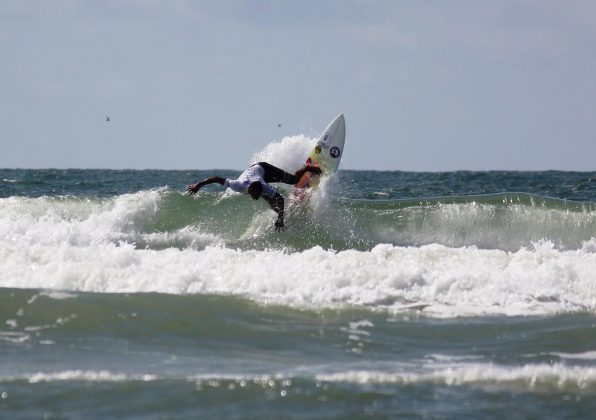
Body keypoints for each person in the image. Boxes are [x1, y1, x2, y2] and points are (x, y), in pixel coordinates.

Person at [187, 162, 322, 232]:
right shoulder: (238, 185)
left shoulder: (264, 187)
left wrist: (280, 219)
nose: (256, 198)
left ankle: (306, 168)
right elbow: (216, 178)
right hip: (253, 171)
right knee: (273, 206)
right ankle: (289, 208)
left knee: (292, 180)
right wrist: (198, 185)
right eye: (255, 195)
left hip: (264, 169)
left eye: (258, 195)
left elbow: (279, 198)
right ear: (250, 191)